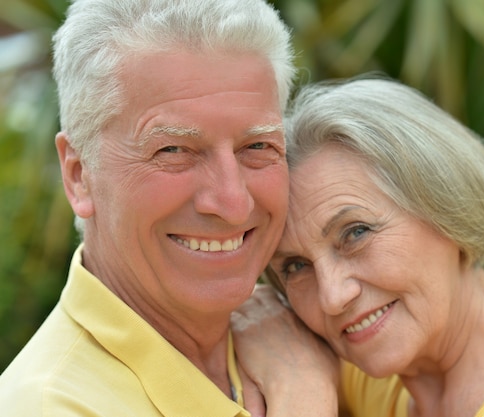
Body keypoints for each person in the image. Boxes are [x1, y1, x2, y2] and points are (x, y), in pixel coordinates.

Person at [0, 0, 340, 415]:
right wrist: (305, 396)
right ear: (78, 174)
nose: (233, 204)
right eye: (174, 149)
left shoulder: (323, 326)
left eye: (257, 146)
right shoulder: (51, 406)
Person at [231, 76, 484, 417]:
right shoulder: (387, 372)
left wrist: (302, 391)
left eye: (355, 233)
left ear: (448, 207)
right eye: (296, 267)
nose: (332, 297)